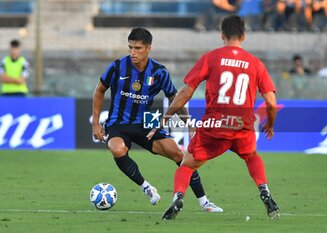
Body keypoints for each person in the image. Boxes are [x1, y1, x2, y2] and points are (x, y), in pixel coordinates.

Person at [147, 15, 280, 220]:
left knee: (187, 165)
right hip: (242, 126)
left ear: (222, 35)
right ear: (243, 36)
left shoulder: (211, 57)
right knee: (251, 156)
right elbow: (271, 102)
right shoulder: (255, 64)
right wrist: (270, 125)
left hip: (214, 125)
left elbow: (186, 92)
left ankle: (178, 197)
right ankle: (264, 190)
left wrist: (166, 117)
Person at [92, 28, 223, 212]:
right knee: (117, 148)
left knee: (179, 154)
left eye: (138, 48)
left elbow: (175, 99)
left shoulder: (159, 72)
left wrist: (189, 125)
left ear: (148, 48)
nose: (133, 52)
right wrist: (96, 123)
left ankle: (204, 202)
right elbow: (99, 90)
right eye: (130, 47)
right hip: (118, 123)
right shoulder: (117, 67)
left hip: (146, 122)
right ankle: (146, 187)